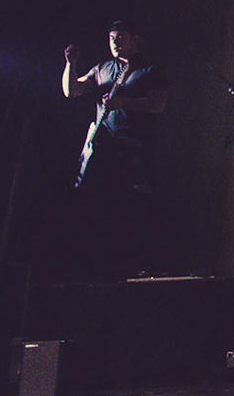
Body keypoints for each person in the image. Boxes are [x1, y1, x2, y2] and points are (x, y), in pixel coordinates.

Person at [59, 21, 171, 280]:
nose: (115, 43)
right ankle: (94, 262)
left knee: (139, 200)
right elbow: (72, 91)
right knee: (99, 199)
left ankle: (145, 259)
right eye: (112, 38)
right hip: (104, 144)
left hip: (135, 144)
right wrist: (71, 64)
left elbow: (158, 104)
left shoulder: (150, 69)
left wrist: (123, 102)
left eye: (121, 37)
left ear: (135, 39)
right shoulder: (103, 68)